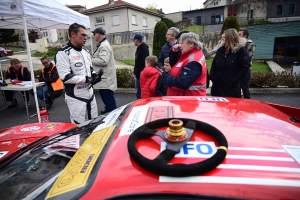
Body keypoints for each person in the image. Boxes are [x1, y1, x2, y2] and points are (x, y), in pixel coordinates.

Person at [55, 23, 100, 124]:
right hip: (76, 98)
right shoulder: (63, 53)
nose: (86, 38)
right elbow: (65, 77)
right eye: (83, 35)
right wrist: (86, 79)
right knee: (79, 129)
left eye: (86, 35)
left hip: (90, 95)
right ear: (73, 34)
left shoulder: (86, 51)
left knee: (94, 124)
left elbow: (90, 68)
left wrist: (95, 75)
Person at [161, 32, 207, 96]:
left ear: (191, 44)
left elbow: (182, 83)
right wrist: (174, 53)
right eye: (179, 43)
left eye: (182, 43)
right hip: (183, 99)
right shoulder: (187, 55)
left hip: (189, 101)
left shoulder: (193, 60)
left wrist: (165, 77)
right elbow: (174, 65)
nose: (179, 45)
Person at [210, 28, 249, 98]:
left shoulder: (240, 51)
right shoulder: (220, 50)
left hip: (231, 90)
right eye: (222, 37)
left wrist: (233, 81)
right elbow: (214, 64)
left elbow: (244, 68)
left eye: (224, 37)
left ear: (230, 38)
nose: (222, 39)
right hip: (217, 89)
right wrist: (213, 77)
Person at [91, 27, 117, 114]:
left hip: (105, 78)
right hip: (105, 77)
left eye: (94, 34)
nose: (93, 36)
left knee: (107, 97)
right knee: (106, 97)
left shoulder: (103, 46)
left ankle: (113, 114)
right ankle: (109, 109)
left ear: (98, 34)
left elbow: (103, 61)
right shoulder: (103, 44)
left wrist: (91, 59)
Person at [239, 28, 256, 99]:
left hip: (246, 70)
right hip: (238, 70)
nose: (238, 36)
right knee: (237, 89)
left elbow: (247, 57)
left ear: (245, 36)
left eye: (240, 34)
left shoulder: (251, 45)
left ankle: (248, 105)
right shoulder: (239, 44)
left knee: (245, 88)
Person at [133, 33, 149, 99]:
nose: (133, 41)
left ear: (137, 40)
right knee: (138, 89)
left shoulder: (144, 49)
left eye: (134, 40)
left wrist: (138, 71)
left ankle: (139, 103)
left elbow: (143, 62)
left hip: (141, 74)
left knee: (140, 90)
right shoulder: (139, 48)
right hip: (138, 73)